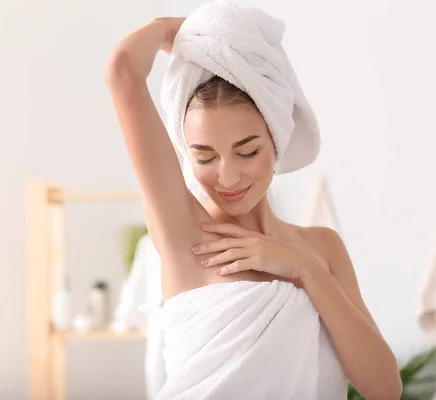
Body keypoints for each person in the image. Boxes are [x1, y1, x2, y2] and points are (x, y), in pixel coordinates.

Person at [104, 4, 401, 399]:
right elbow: (122, 70)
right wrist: (174, 31)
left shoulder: (321, 250)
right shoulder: (187, 234)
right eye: (204, 157)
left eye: (247, 152)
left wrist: (306, 270)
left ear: (275, 142)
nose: (227, 177)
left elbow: (385, 389)